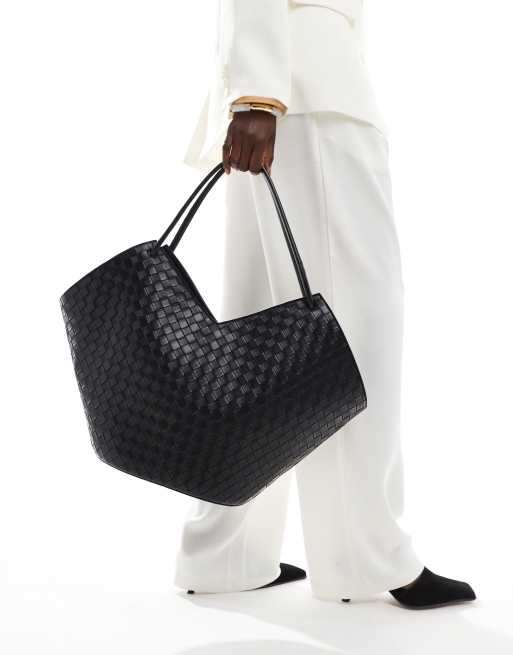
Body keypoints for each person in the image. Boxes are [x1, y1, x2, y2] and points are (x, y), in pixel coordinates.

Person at [173, 0, 476, 608]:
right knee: (357, 325)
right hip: (309, 97)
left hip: (291, 91)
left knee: (256, 342)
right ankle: (366, 556)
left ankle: (227, 553)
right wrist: (259, 96)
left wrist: (254, 91)